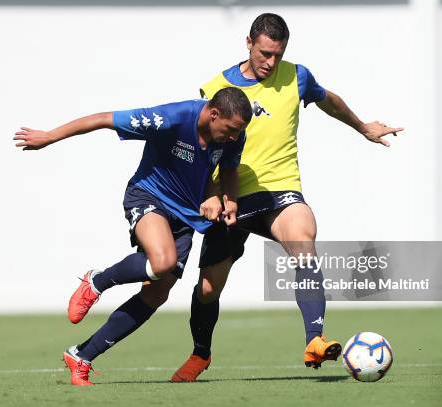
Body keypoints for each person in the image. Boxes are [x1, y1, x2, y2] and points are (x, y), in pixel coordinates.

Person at [170, 13, 404, 382]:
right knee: (208, 288)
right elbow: (202, 147)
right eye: (265, 53)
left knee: (303, 239)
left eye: (278, 54)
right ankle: (201, 354)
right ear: (248, 43)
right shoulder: (216, 88)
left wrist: (362, 127)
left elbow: (329, 101)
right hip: (233, 197)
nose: (271, 62)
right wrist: (210, 194)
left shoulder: (298, 76)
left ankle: (315, 339)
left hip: (281, 189)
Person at [13, 87, 252, 385]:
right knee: (162, 262)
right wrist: (49, 136)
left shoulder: (234, 135)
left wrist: (228, 201)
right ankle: (97, 281)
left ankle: (82, 355)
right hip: (148, 197)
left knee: (156, 293)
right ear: (214, 114)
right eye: (229, 130)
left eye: (237, 132)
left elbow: (229, 169)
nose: (233, 137)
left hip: (185, 215)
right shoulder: (171, 119)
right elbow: (103, 118)